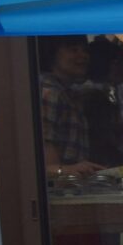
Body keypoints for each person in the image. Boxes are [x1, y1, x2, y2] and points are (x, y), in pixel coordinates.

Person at [38, 38, 99, 175]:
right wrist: (63, 170)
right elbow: (49, 165)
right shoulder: (49, 91)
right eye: (73, 50)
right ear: (52, 54)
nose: (83, 56)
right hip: (56, 191)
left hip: (69, 187)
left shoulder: (69, 93)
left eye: (85, 50)